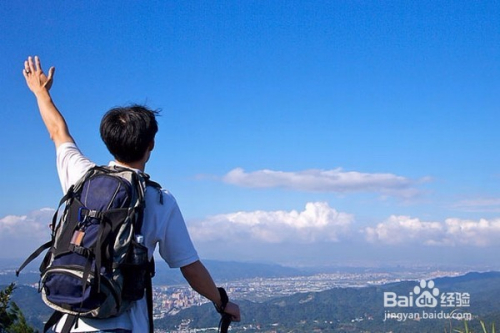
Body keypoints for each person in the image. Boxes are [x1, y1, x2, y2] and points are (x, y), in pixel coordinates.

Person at [22, 56, 241, 333]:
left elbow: (57, 131)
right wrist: (222, 302)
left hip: (70, 322)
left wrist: (40, 91)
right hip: (126, 324)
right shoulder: (159, 200)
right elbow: (190, 267)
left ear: (108, 140)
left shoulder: (81, 175)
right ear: (151, 145)